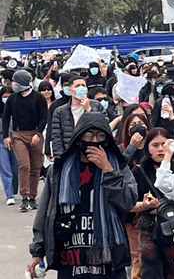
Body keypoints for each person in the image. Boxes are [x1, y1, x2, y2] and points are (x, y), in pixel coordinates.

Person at [27, 112, 137, 279]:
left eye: (100, 135)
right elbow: (45, 213)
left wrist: (108, 169)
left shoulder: (119, 167)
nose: (94, 140)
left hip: (108, 261)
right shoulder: (59, 170)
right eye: (88, 134)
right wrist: (37, 252)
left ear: (107, 140)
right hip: (70, 261)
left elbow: (128, 201)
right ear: (78, 139)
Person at [130, 128, 174, 279]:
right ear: (147, 148)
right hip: (149, 227)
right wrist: (145, 205)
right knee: (150, 271)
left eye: (164, 144)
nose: (160, 149)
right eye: (155, 145)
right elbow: (128, 205)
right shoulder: (139, 171)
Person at [2, 70, 48, 211]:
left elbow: (44, 117)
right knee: (24, 166)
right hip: (18, 134)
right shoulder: (12, 99)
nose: (13, 85)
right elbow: (6, 118)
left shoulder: (38, 98)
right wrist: (6, 136)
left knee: (35, 167)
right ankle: (25, 196)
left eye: (16, 82)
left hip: (35, 133)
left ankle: (33, 197)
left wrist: (38, 133)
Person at [51, 75, 108, 158]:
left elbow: (105, 126)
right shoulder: (60, 111)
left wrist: (89, 110)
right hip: (69, 153)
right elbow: (57, 138)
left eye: (83, 86)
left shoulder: (97, 105)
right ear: (70, 90)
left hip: (93, 152)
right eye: (77, 86)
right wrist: (59, 158)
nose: (81, 88)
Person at [0, 85, 15, 205]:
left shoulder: (17, 107)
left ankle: (14, 188)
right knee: (5, 168)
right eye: (4, 97)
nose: (7, 99)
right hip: (1, 139)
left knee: (15, 168)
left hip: (16, 137)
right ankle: (9, 194)